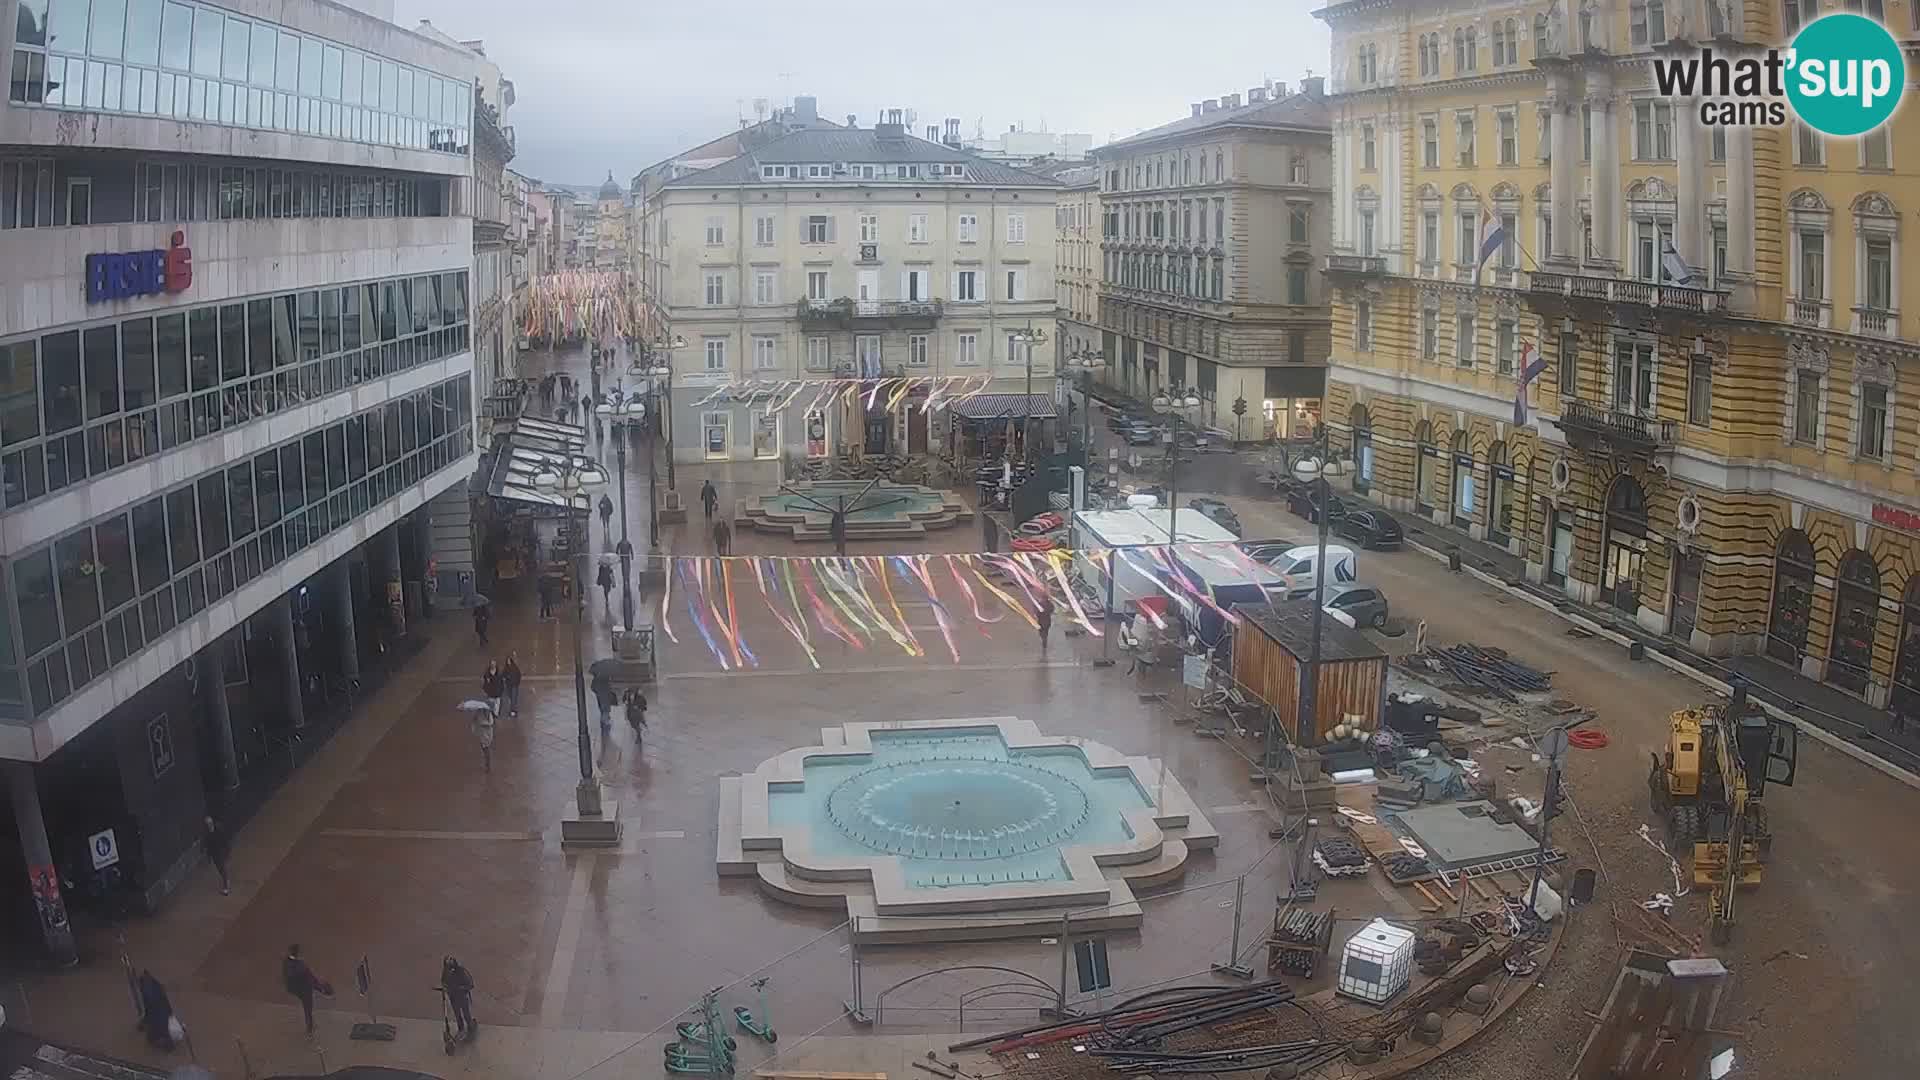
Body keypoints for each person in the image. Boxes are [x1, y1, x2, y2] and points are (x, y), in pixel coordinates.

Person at [282, 945, 330, 1036]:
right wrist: (319, 986)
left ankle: (310, 1027)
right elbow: (310, 977)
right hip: (304, 989)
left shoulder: (287, 962)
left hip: (295, 988)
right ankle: (310, 1029)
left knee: (308, 1006)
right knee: (308, 1008)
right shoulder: (300, 965)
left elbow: (287, 975)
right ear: (297, 952)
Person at [137, 969, 177, 1050]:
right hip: (159, 1011)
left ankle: (168, 1045)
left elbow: (150, 1006)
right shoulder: (154, 986)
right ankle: (165, 1042)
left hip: (158, 1014)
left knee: (160, 1029)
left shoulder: (149, 990)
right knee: (160, 1029)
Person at [441, 957, 476, 1041]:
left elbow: (470, 984)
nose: (449, 968)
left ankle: (470, 1027)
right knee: (457, 1015)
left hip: (462, 997)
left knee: (466, 1014)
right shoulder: (445, 973)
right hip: (453, 998)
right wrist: (445, 987)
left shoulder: (461, 971)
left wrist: (461, 988)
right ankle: (461, 1029)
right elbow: (443, 981)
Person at [204, 814, 232, 896]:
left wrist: (227, 850)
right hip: (214, 855)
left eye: (210, 823)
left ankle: (226, 886)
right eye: (207, 824)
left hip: (221, 852)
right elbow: (208, 846)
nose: (209, 825)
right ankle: (226, 880)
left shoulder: (218, 830)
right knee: (220, 869)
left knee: (223, 869)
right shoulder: (207, 834)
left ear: (212, 822)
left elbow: (224, 840)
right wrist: (209, 857)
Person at [471, 700, 496, 772]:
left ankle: (488, 764)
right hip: (482, 732)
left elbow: (491, 723)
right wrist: (474, 727)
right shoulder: (479, 712)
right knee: (484, 747)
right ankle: (487, 763)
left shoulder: (489, 713)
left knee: (486, 747)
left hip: (487, 732)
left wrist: (484, 723)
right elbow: (474, 719)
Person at [502, 652, 523, 717]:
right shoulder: (506, 668)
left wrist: (516, 682)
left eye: (509, 661)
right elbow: (503, 675)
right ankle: (512, 710)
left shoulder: (515, 668)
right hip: (509, 685)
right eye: (507, 661)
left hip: (514, 685)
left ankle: (513, 710)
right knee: (511, 698)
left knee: (513, 698)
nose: (508, 662)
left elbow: (519, 675)